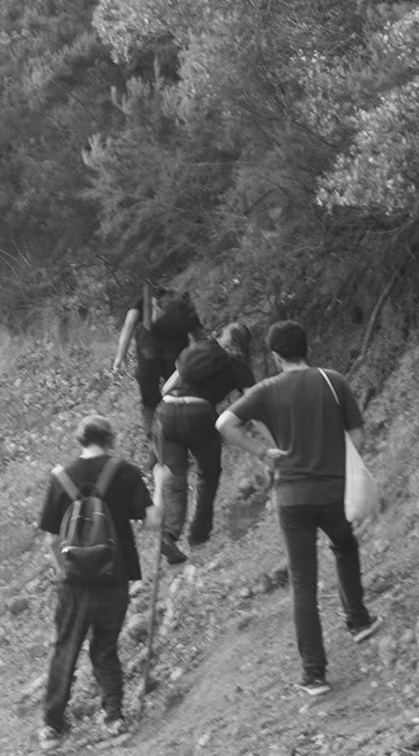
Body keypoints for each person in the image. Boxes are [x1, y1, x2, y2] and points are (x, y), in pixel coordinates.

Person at [217, 320, 382, 697]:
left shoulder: (267, 390)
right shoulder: (333, 380)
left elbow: (224, 422)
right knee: (344, 544)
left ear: (275, 357)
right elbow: (357, 434)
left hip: (292, 497)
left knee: (304, 583)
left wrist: (263, 452)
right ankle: (358, 620)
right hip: (333, 490)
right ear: (306, 348)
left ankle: (315, 674)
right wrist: (340, 459)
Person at [35, 415, 155, 750]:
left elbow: (50, 541)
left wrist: (65, 571)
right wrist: (162, 482)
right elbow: (154, 522)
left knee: (65, 650)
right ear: (111, 438)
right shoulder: (126, 472)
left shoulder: (61, 478)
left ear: (79, 440)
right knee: (105, 648)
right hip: (114, 578)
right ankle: (114, 716)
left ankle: (52, 727)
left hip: (75, 584)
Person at [153, 320, 256, 565]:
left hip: (166, 413)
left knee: (174, 478)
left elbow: (167, 387)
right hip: (199, 415)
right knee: (208, 475)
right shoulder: (236, 365)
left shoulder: (197, 350)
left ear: (220, 336)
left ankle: (169, 535)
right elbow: (254, 399)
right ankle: (199, 535)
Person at [113, 285, 202, 454]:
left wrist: (120, 357)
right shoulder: (182, 303)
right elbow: (197, 333)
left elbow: (129, 324)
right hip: (176, 353)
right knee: (178, 394)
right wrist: (203, 357)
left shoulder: (145, 299)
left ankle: (154, 444)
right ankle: (184, 438)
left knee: (149, 400)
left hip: (149, 351)